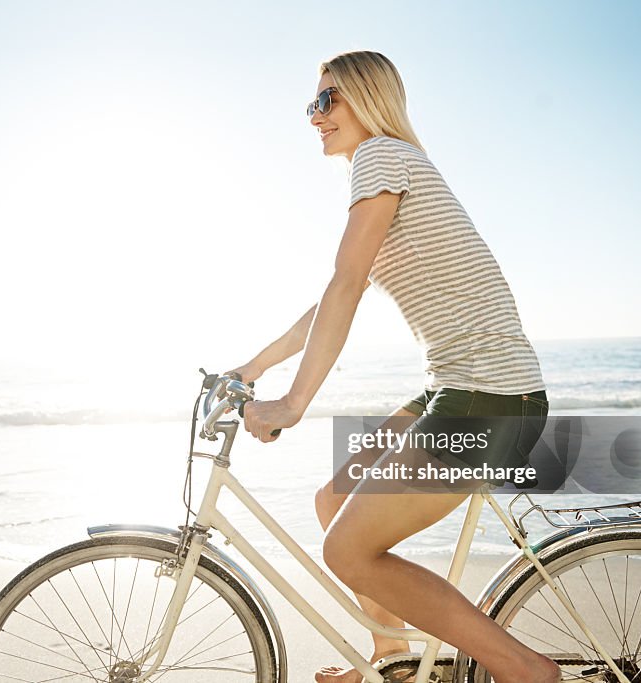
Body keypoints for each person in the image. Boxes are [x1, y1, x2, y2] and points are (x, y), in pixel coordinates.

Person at [229, 51, 560, 683]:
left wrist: (293, 404)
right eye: (311, 105)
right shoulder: (389, 169)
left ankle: (527, 672)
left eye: (327, 101)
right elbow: (331, 298)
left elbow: (348, 283)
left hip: (489, 399)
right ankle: (395, 657)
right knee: (334, 499)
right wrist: (252, 368)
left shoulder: (381, 156)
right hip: (464, 389)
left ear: (367, 99)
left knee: (348, 550)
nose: (314, 117)